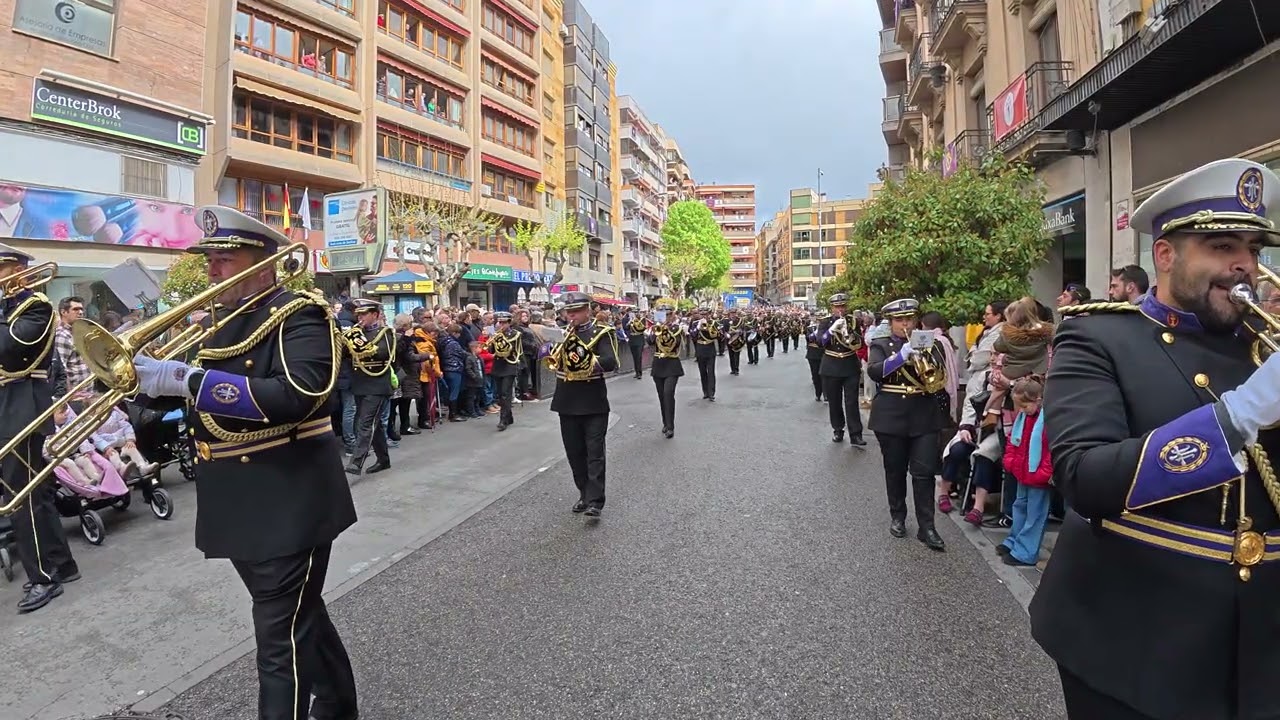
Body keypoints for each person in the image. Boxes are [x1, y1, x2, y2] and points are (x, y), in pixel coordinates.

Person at [1034, 158, 1280, 720]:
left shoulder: (1263, 348)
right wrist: (1238, 416)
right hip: (1134, 641)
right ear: (1165, 255)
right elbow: (1083, 478)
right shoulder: (1098, 338)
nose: (1245, 264)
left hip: (1264, 640)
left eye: (1253, 249)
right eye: (1222, 246)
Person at [131, 206, 358, 720]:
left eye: (225, 258)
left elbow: (299, 394)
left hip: (287, 498)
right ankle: (341, 704)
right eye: (210, 258)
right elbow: (201, 400)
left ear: (264, 264)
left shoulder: (298, 314)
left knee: (279, 642)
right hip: (235, 501)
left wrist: (187, 380)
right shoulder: (222, 322)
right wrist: (136, 383)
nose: (212, 269)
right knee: (302, 616)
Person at [0, 243, 79, 613]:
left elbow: (11, 348)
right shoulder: (7, 308)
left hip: (22, 407)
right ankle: (63, 564)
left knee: (24, 499)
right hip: (10, 406)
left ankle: (43, 578)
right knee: (38, 495)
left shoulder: (37, 306)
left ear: (16, 269)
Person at [866, 298, 948, 551]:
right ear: (891, 322)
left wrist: (926, 358)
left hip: (923, 414)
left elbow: (941, 376)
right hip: (891, 415)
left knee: (923, 473)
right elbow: (874, 372)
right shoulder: (881, 344)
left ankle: (927, 526)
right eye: (900, 320)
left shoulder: (930, 343)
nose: (906, 324)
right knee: (895, 469)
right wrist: (900, 357)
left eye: (909, 319)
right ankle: (898, 516)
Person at [545, 291, 618, 518]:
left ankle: (596, 500)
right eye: (569, 312)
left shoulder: (602, 332)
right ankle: (584, 493)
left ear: (588, 310)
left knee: (594, 452)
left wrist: (585, 359)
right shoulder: (563, 334)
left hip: (593, 399)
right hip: (567, 399)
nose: (571, 316)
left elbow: (610, 361)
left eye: (576, 312)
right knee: (574, 452)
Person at [343, 299, 393, 476]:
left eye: (364, 314)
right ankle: (384, 459)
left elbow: (381, 353)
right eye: (359, 314)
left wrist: (357, 340)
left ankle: (356, 462)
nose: (361, 317)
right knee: (374, 424)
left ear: (375, 315)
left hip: (378, 384)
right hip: (360, 384)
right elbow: (346, 356)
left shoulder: (385, 333)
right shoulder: (355, 334)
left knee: (365, 423)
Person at [817, 293, 866, 446]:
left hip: (850, 364)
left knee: (851, 401)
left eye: (843, 306)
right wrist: (831, 330)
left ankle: (856, 434)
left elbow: (860, 343)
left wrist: (849, 332)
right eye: (837, 307)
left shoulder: (853, 321)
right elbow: (820, 342)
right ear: (831, 307)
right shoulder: (825, 322)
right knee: (835, 401)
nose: (840, 309)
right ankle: (838, 429)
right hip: (831, 365)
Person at [648, 303, 685, 438]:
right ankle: (665, 422)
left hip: (672, 364)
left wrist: (665, 330)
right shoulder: (656, 327)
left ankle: (670, 426)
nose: (666, 317)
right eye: (663, 314)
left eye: (668, 314)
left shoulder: (677, 328)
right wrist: (653, 330)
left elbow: (674, 344)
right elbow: (650, 341)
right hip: (658, 364)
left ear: (672, 315)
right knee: (661, 396)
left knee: (668, 393)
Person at [485, 311, 523, 431]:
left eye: (503, 322)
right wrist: (490, 340)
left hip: (509, 365)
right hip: (498, 366)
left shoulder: (515, 334)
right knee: (500, 393)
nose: (501, 325)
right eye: (499, 322)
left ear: (509, 323)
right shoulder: (496, 334)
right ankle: (509, 416)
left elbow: (512, 350)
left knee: (506, 393)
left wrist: (500, 339)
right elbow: (491, 351)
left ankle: (503, 419)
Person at [692, 308, 721, 401]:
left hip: (710, 348)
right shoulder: (695, 323)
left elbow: (719, 336)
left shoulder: (714, 323)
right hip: (700, 348)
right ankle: (705, 392)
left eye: (706, 314)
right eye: (702, 314)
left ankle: (711, 392)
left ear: (710, 314)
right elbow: (692, 335)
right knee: (702, 371)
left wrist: (709, 329)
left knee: (711, 371)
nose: (704, 316)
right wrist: (698, 327)